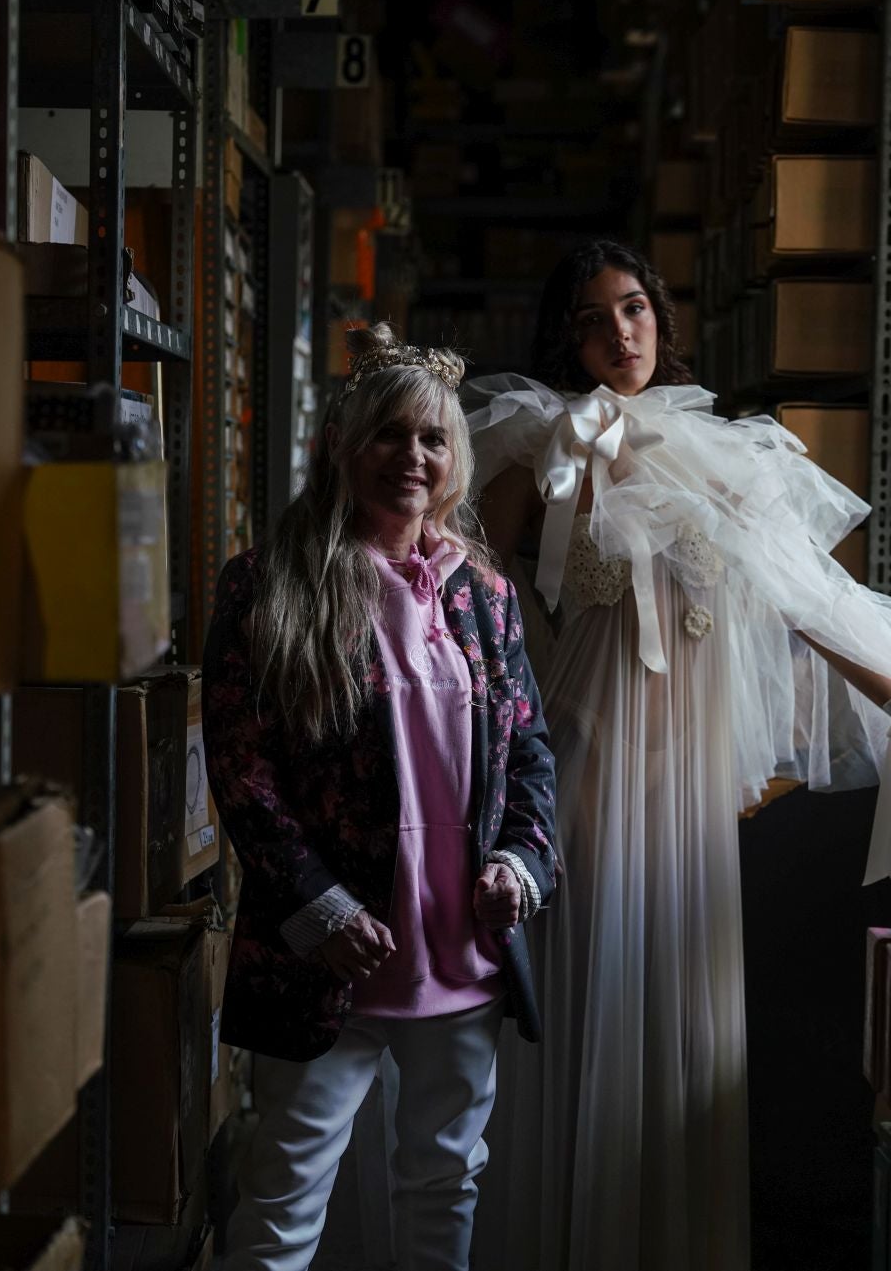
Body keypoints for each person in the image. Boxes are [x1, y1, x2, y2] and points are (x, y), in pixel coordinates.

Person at [465, 240, 891, 1271]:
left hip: (682, 783)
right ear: (564, 337)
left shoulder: (728, 451)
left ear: (661, 319)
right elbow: (482, 619)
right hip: (581, 759)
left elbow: (812, 602)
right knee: (581, 995)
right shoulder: (540, 442)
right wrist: (513, 747)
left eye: (633, 310)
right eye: (592, 318)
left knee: (677, 1002)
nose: (619, 334)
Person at [202, 323, 558, 1271]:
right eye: (391, 434)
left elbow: (529, 752)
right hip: (328, 959)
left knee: (445, 1188)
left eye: (434, 440)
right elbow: (242, 770)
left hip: (460, 953)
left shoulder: (482, 592)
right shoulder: (265, 585)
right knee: (283, 1196)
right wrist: (319, 906)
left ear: (455, 460)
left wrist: (521, 862)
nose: (414, 456)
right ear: (344, 444)